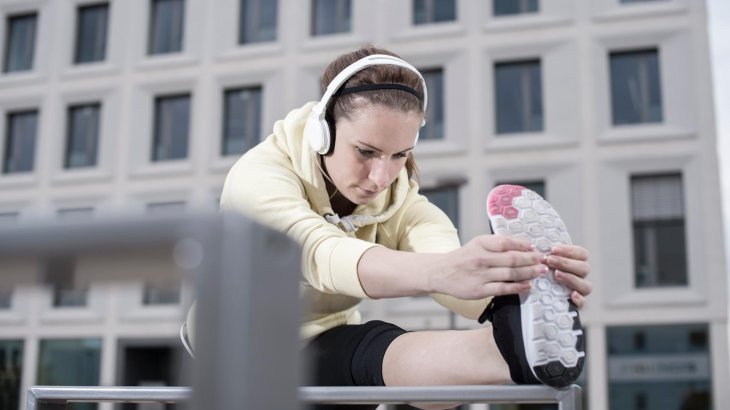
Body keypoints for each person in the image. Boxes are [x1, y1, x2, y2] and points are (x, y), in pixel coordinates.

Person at [219, 45, 592, 409]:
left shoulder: (402, 201)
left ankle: (511, 348)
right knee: (379, 358)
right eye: (365, 151)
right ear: (324, 132)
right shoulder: (259, 177)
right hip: (239, 355)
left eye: (399, 155)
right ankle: (498, 357)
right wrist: (443, 271)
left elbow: (445, 260)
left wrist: (514, 284)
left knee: (422, 385)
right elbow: (319, 254)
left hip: (331, 348)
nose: (381, 177)